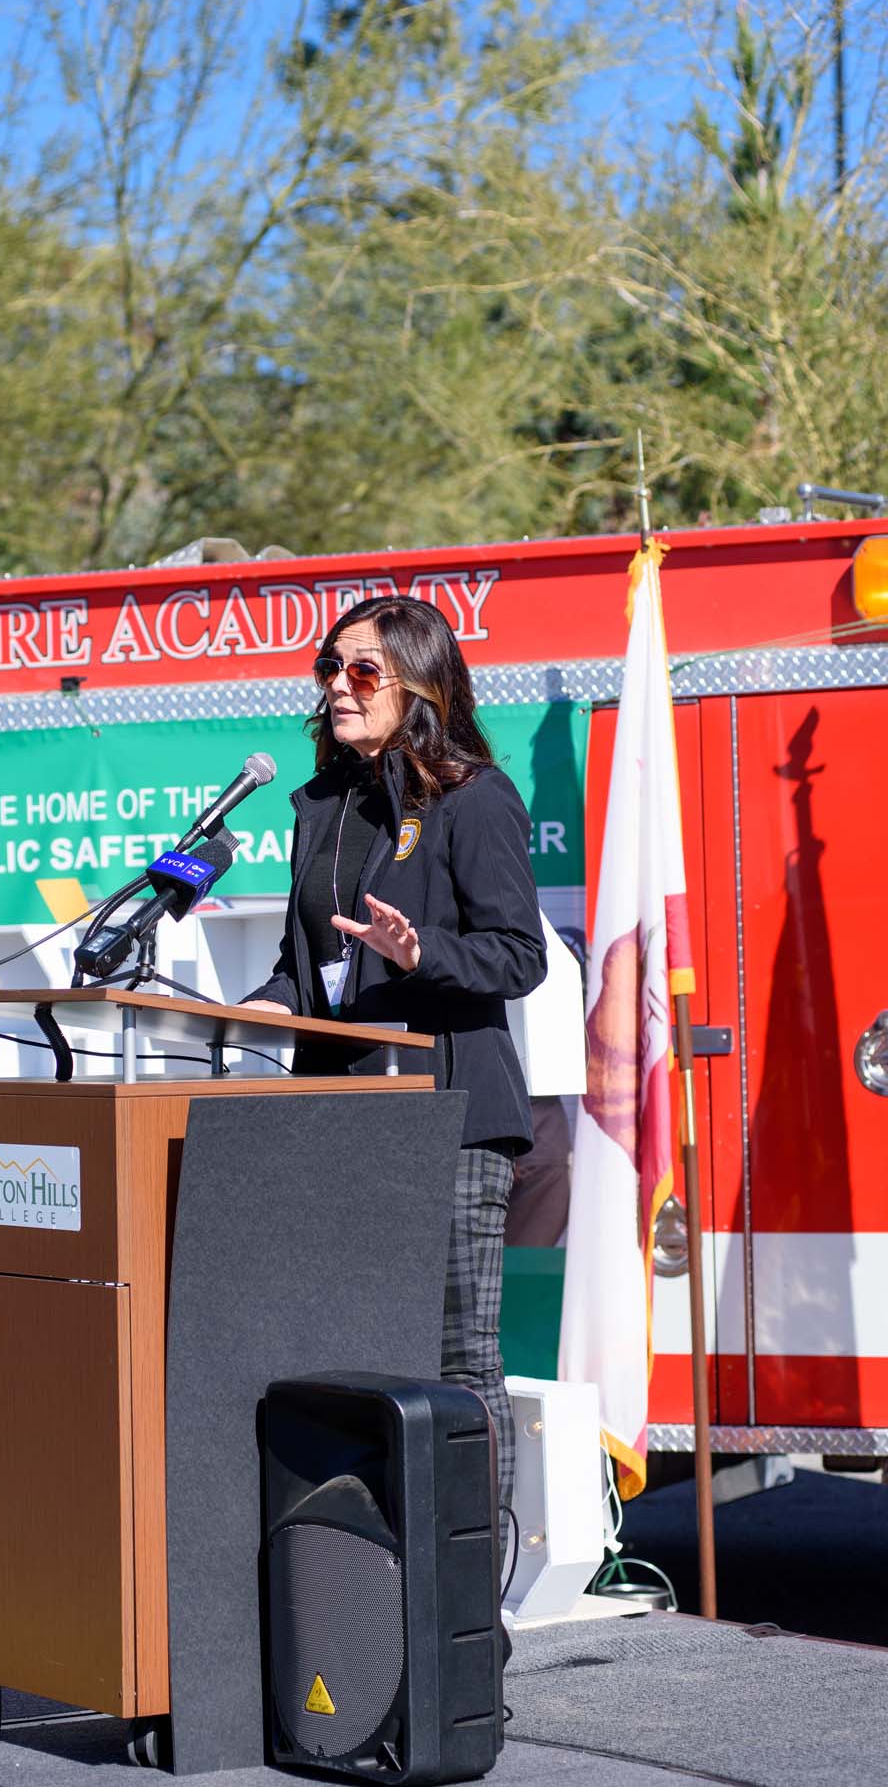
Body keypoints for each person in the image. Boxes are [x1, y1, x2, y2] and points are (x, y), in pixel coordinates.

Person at [244, 595, 547, 1549]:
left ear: (418, 683)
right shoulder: (317, 809)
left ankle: (468, 1598)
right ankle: (367, 1585)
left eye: (362, 671)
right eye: (329, 668)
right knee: (351, 1357)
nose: (338, 685)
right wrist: (263, 1002)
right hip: (339, 1121)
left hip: (450, 1121)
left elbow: (519, 957)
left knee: (459, 1362)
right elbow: (307, 965)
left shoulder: (472, 796)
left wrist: (425, 956)